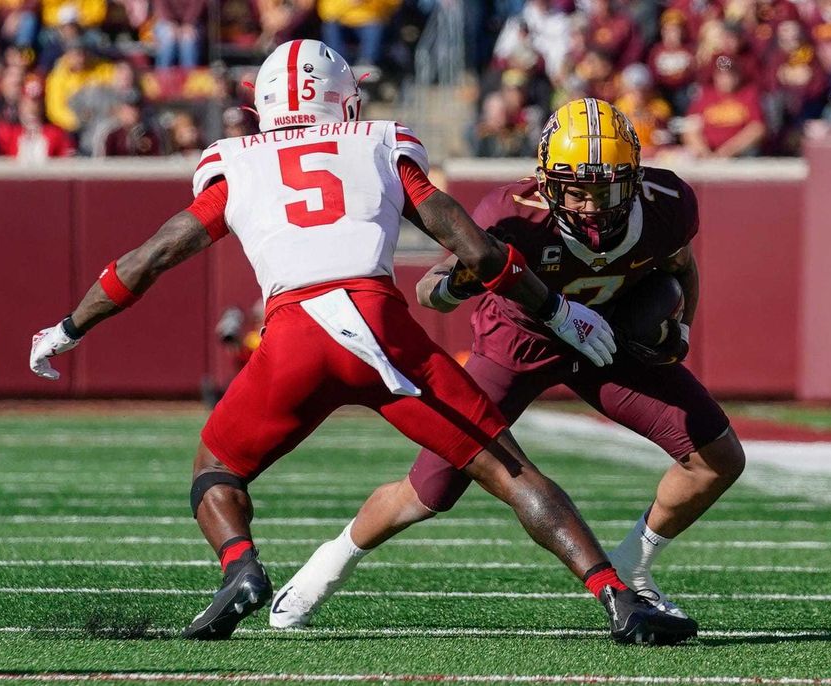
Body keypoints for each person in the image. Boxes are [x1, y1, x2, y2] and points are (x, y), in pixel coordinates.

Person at [29, 40, 693, 646]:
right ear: (343, 99)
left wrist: (68, 328)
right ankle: (615, 597)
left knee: (215, 467)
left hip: (293, 333)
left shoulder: (233, 162)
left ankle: (240, 567)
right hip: (382, 327)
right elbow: (472, 246)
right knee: (507, 469)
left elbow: (149, 259)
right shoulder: (378, 141)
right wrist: (558, 310)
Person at [270, 98, 745, 632]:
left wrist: (681, 329)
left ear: (633, 179)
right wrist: (457, 283)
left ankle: (634, 568)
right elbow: (430, 292)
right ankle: (327, 566)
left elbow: (681, 266)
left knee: (717, 457)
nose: (591, 205)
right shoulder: (513, 213)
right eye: (577, 189)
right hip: (517, 344)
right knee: (431, 490)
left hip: (605, 342)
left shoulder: (668, 202)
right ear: (546, 181)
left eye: (606, 188)